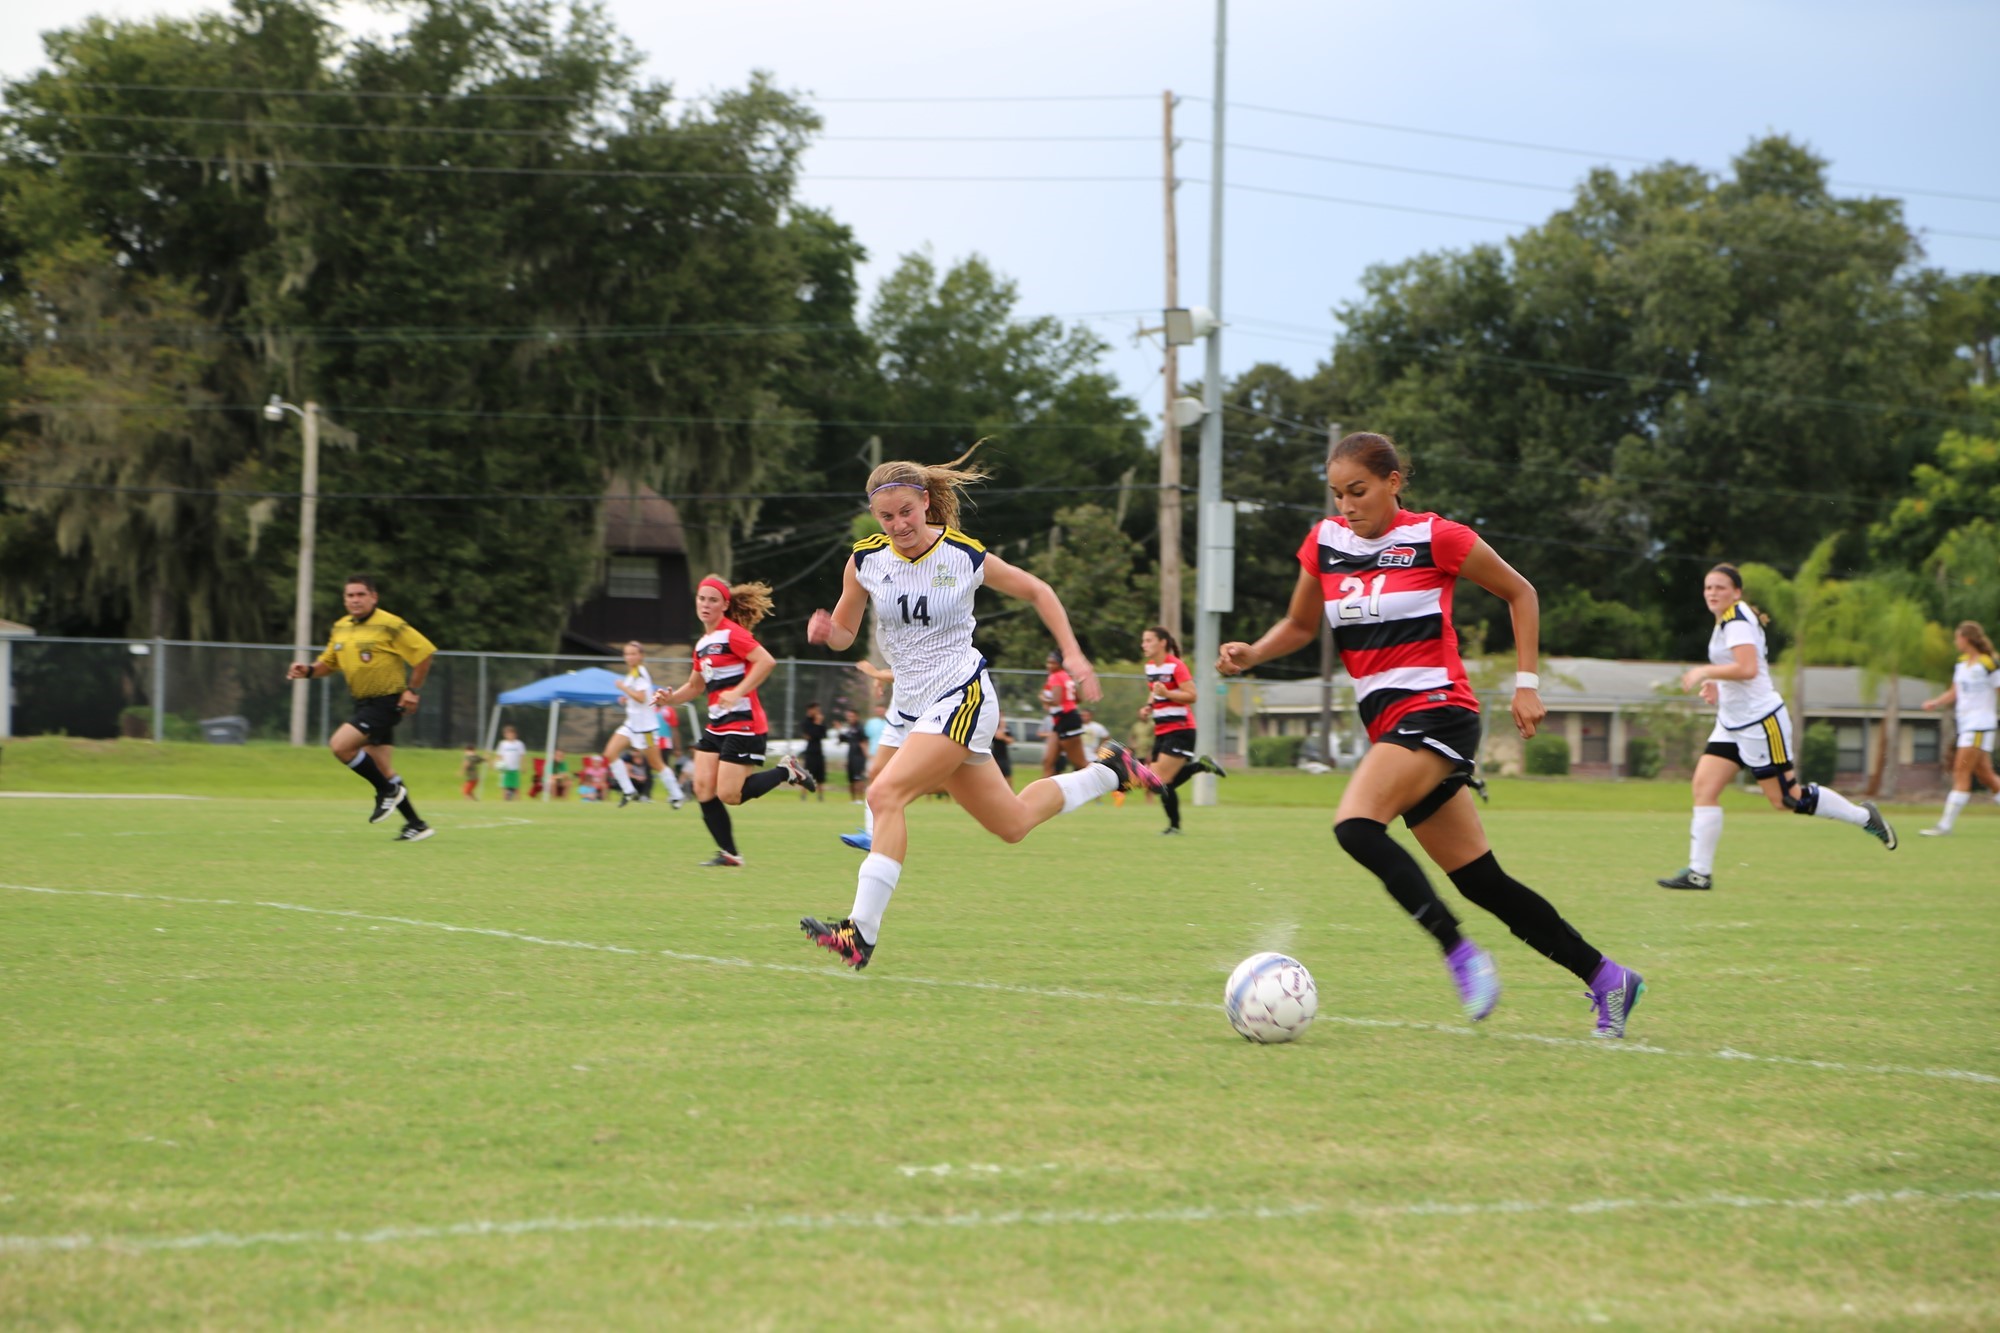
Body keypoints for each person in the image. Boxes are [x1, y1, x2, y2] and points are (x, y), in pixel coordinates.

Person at [1218, 431, 1644, 1038]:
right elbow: (1299, 623)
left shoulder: (1436, 537)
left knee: (1355, 826)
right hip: (1389, 724)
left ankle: (1458, 953)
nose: (1347, 505)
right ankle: (1607, 978)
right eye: (1338, 494)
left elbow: (1521, 592)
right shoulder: (1325, 543)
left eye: (1358, 491)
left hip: (1439, 710)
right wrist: (1253, 652)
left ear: (1394, 482)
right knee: (1481, 881)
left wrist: (1527, 683)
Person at [800, 448, 1163, 970]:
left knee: (883, 793)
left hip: (963, 695)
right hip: (917, 706)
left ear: (925, 502)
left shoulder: (961, 554)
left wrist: (1075, 653)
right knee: (1012, 823)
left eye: (906, 511)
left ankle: (861, 932)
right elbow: (845, 634)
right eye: (886, 516)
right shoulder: (864, 561)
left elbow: (1038, 590)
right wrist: (826, 633)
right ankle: (1111, 770)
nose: (898, 524)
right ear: (875, 517)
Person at [1657, 562, 1897, 889]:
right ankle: (1700, 873)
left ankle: (1864, 817)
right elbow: (1733, 667)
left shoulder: (1737, 621)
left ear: (1736, 592)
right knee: (1704, 787)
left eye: (1720, 587)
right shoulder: (1725, 620)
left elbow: (1747, 669)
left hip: (1760, 722)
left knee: (1787, 799)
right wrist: (1715, 683)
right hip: (1731, 722)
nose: (1712, 593)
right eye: (1708, 587)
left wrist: (1704, 672)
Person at [653, 575, 816, 866]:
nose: (705, 604)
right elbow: (695, 687)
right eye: (702, 598)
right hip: (716, 724)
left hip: (744, 722)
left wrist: (738, 691)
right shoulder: (702, 644)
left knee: (729, 794)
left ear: (724, 605)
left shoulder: (732, 634)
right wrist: (670, 699)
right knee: (702, 788)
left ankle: (785, 771)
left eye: (713, 600)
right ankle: (730, 854)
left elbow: (766, 661)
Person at [284, 575, 436, 842]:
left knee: (341, 746)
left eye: (360, 595)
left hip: (387, 701)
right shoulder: (341, 627)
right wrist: (307, 670)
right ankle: (416, 824)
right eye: (350, 596)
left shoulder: (390, 624)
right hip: (363, 702)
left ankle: (386, 792)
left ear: (373, 597)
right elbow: (329, 663)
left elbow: (424, 653)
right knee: (382, 767)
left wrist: (413, 691)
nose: (354, 600)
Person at [1138, 625, 1227, 834]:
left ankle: (1199, 768)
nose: (1144, 645)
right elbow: (1155, 692)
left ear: (1162, 643)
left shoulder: (1176, 666)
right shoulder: (1150, 667)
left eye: (1149, 640)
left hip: (1180, 729)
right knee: (1159, 784)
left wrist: (1167, 694)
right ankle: (1174, 826)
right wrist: (1148, 706)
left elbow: (1192, 695)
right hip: (1161, 730)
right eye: (1143, 641)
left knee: (1159, 782)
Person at [1918, 620, 2000, 836]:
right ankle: (1945, 826)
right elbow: (1954, 692)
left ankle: (1945, 826)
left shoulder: (1990, 663)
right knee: (1986, 776)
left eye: (1957, 638)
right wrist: (1936, 702)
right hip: (1966, 725)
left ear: (1966, 639)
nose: (1956, 642)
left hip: (1980, 725)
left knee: (1960, 771)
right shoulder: (1962, 664)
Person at [1039, 649, 1086, 777]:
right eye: (1048, 662)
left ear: (1060, 664)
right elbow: (1079, 699)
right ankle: (1045, 795)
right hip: (1060, 721)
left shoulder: (1056, 676)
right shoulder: (1066, 676)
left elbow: (1056, 701)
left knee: (1080, 764)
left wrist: (1042, 698)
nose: (1049, 665)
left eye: (1053, 663)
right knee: (1048, 761)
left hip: (1067, 720)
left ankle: (1103, 782)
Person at [800, 702, 829, 802]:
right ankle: (803, 796)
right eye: (816, 710)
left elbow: (823, 734)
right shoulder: (806, 722)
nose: (818, 712)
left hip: (819, 752)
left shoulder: (821, 721)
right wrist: (816, 724)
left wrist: (819, 724)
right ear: (810, 710)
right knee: (807, 775)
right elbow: (811, 735)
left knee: (820, 776)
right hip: (810, 752)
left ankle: (821, 797)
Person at [839, 708, 868, 803]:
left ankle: (860, 799)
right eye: (848, 716)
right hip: (851, 756)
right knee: (851, 778)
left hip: (859, 756)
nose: (850, 718)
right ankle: (853, 799)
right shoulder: (849, 729)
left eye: (851, 716)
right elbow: (843, 739)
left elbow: (864, 741)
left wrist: (866, 755)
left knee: (858, 778)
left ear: (856, 716)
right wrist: (839, 731)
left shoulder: (860, 728)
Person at [495, 725, 526, 801]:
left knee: (516, 787)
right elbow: (499, 756)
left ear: (515, 734)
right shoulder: (503, 744)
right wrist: (497, 764)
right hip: (505, 769)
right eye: (508, 733)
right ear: (505, 735)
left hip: (515, 769)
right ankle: (506, 802)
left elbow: (522, 756)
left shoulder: (519, 744)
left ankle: (518, 801)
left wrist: (523, 766)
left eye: (512, 733)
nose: (510, 735)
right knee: (505, 786)